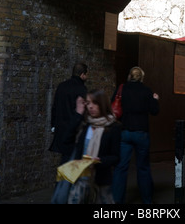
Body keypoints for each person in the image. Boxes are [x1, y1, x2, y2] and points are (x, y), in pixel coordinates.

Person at [61, 89, 121, 204]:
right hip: (80, 180)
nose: (91, 107)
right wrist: (78, 113)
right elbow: (65, 140)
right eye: (88, 103)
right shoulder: (85, 124)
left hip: (101, 181)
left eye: (95, 103)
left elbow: (116, 157)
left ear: (102, 104)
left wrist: (100, 160)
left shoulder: (114, 127)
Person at [112, 66, 159, 204]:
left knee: (121, 168)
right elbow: (154, 111)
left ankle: (117, 200)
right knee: (143, 168)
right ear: (141, 77)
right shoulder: (146, 91)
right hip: (141, 133)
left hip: (125, 132)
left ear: (130, 76)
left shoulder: (123, 89)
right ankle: (147, 201)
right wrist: (155, 99)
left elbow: (113, 105)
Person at [50, 62, 88, 162]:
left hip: (61, 130)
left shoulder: (61, 86)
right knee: (72, 162)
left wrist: (53, 126)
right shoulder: (82, 89)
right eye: (86, 74)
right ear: (82, 75)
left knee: (64, 160)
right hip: (74, 131)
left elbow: (55, 107)